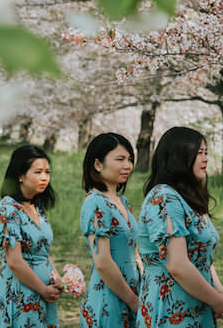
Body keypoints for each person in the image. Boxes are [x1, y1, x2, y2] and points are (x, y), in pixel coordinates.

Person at [137, 127, 223, 328]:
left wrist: (220, 294)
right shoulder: (164, 197)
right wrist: (216, 300)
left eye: (206, 152)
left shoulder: (187, 199)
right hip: (171, 306)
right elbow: (177, 265)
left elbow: (202, 258)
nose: (206, 159)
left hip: (197, 300)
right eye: (199, 153)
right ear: (178, 157)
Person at [0, 145, 61, 328]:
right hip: (22, 293)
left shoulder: (37, 209)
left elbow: (43, 251)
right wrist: (42, 289)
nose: (44, 177)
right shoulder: (8, 209)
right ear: (20, 176)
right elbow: (14, 261)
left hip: (44, 295)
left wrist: (56, 276)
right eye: (38, 172)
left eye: (47, 172)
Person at [79, 133, 141, 328]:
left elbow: (132, 249)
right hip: (110, 298)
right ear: (98, 165)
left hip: (133, 294)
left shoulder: (123, 202)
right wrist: (132, 301)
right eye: (120, 159)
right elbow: (103, 262)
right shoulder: (95, 202)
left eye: (130, 159)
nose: (127, 166)